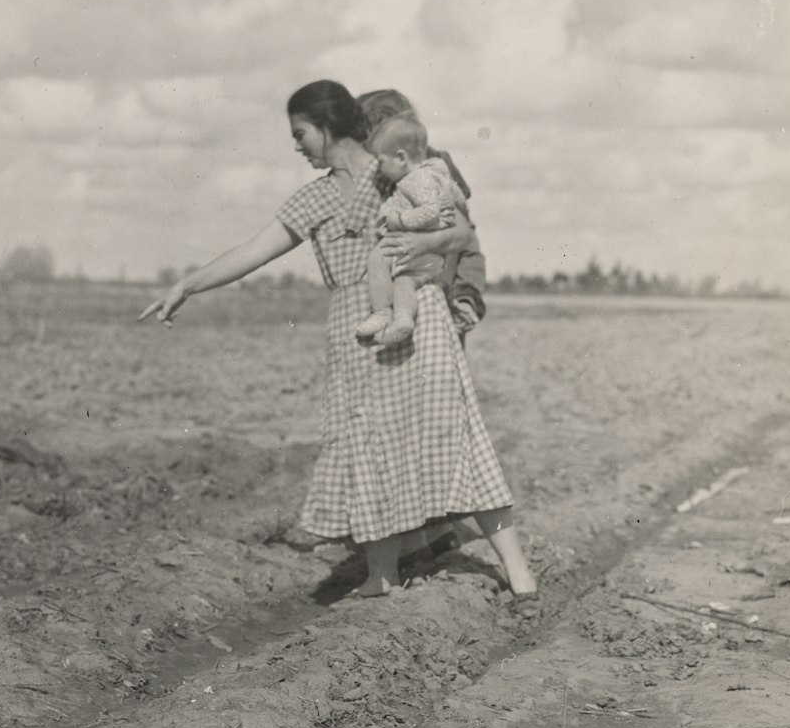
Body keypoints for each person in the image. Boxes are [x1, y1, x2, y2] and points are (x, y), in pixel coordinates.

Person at [139, 80, 538, 608]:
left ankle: (519, 574)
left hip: (419, 317)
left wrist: (420, 242)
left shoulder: (394, 168)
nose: (298, 146)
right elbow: (253, 251)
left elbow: (461, 233)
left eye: (301, 133)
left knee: (456, 437)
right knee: (364, 445)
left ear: (327, 128)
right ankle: (383, 575)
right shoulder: (315, 198)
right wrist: (186, 285)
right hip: (355, 332)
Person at [358, 90, 487, 347]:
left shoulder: (433, 162)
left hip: (436, 267)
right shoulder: (383, 169)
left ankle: (465, 299)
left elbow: (463, 234)